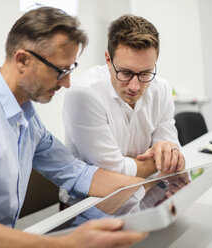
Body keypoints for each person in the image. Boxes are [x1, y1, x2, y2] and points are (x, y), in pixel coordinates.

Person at [0, 7, 149, 248]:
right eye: (61, 71)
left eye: (70, 69)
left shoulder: (26, 118)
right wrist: (68, 243)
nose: (67, 83)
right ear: (23, 60)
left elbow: (77, 174)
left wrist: (145, 185)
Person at [60, 14, 185, 206]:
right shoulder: (83, 95)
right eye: (125, 73)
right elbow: (113, 174)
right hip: (89, 207)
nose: (135, 86)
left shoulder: (161, 88)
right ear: (108, 60)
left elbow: (171, 151)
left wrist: (169, 155)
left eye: (145, 73)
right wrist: (162, 163)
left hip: (148, 195)